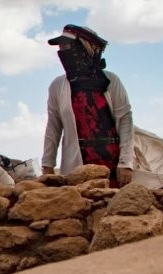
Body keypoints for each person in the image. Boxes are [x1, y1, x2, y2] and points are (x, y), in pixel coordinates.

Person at [41, 24, 134, 187]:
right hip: (76, 163)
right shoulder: (58, 86)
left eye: (68, 45)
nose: (64, 50)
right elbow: (53, 126)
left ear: (85, 47)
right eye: (61, 46)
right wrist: (47, 164)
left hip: (111, 159)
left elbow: (125, 121)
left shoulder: (111, 81)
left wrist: (126, 163)